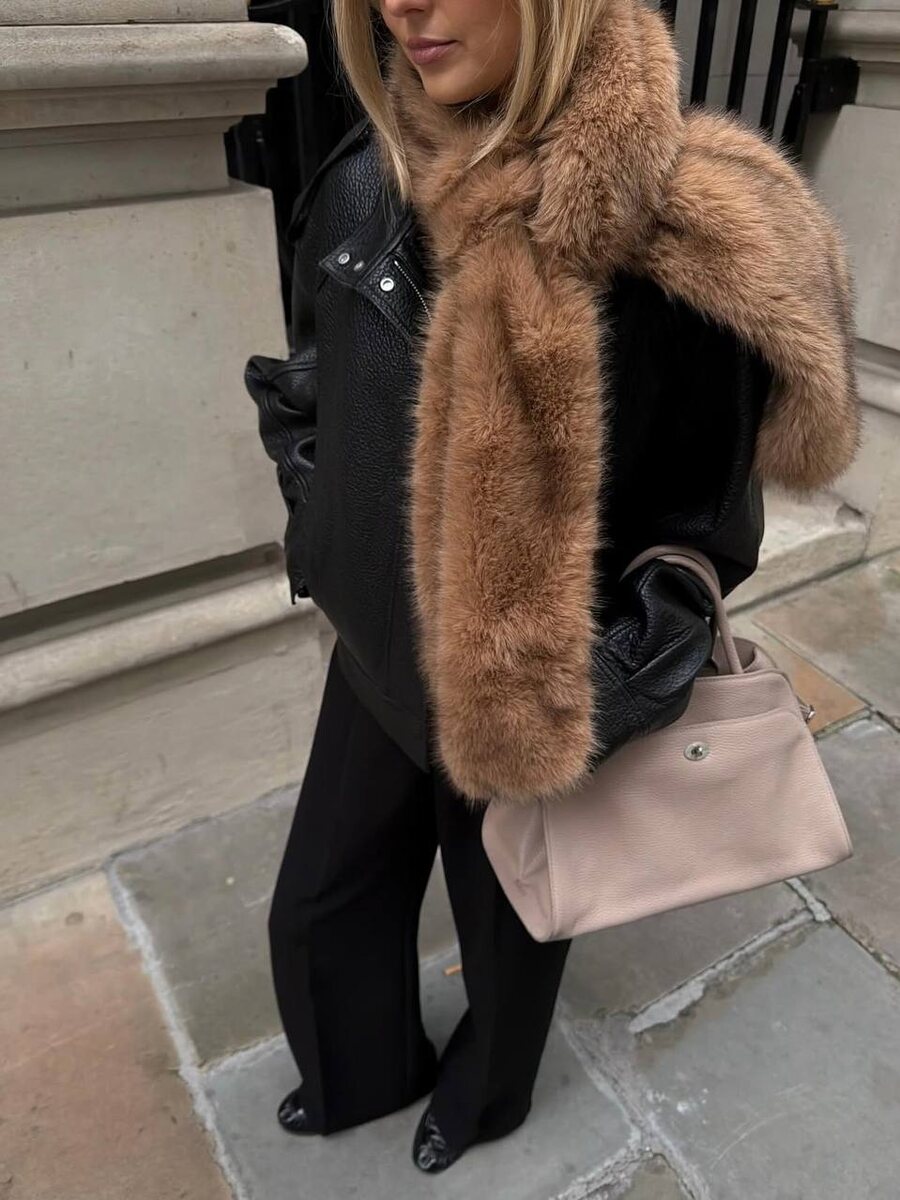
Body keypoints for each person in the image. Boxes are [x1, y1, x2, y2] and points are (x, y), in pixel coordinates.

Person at [244, 0, 859, 1175]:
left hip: (533, 696)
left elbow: (705, 528)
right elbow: (310, 376)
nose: (402, 7)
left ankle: (489, 1096)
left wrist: (602, 683)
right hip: (376, 648)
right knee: (319, 903)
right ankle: (355, 1070)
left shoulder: (684, 231)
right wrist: (319, 514)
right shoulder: (372, 176)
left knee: (516, 920)